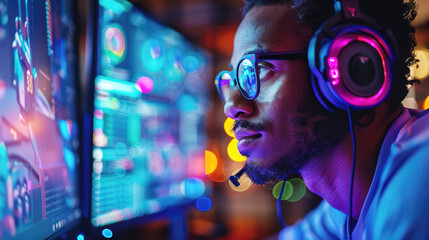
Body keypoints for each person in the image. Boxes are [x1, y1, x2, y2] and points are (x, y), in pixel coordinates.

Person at [214, 0, 429, 239]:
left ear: (350, 65)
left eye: (260, 70)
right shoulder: (348, 206)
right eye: (235, 79)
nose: (231, 106)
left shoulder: (420, 174)